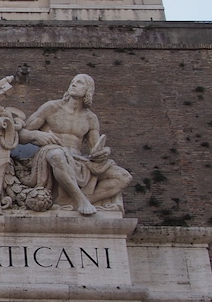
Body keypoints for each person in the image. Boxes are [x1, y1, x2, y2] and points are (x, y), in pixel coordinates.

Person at [19, 73, 131, 215]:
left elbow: (95, 150)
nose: (73, 84)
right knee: (57, 155)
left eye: (79, 83)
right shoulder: (52, 107)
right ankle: (81, 201)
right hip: (49, 153)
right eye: (72, 82)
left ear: (88, 90)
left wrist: (104, 152)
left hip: (77, 160)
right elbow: (20, 135)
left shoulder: (90, 118)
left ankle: (75, 201)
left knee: (123, 177)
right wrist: (36, 134)